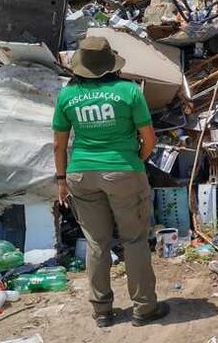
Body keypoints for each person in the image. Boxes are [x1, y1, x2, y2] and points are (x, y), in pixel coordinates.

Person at [52, 36, 169, 327]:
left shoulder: (67, 96)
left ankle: (102, 312)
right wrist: (134, 162)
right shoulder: (128, 91)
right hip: (124, 172)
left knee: (96, 243)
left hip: (81, 174)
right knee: (134, 240)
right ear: (110, 64)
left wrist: (62, 181)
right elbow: (149, 139)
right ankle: (144, 308)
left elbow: (58, 145)